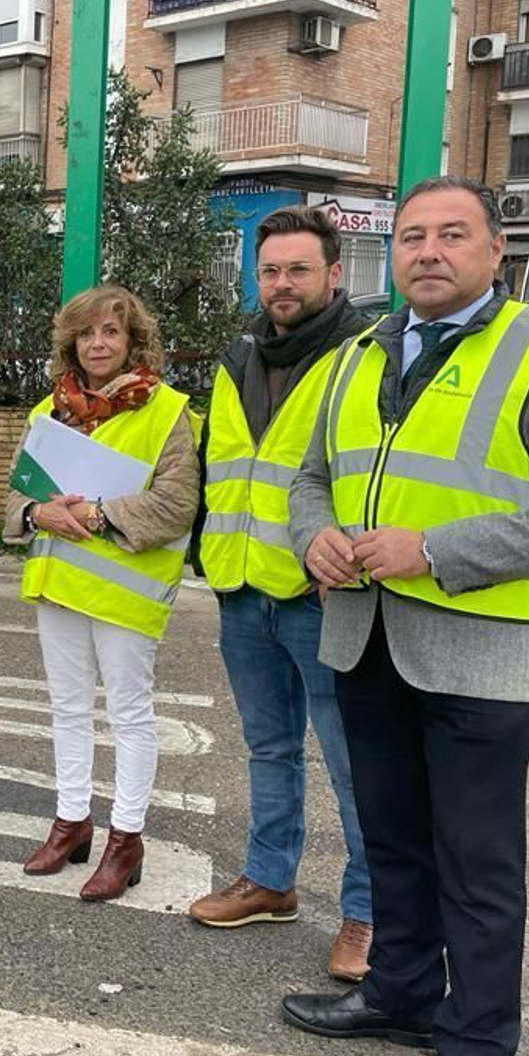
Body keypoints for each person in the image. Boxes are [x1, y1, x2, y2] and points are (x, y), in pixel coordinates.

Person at [281, 177, 529, 1056]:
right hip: (365, 638)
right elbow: (311, 477)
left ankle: (476, 1037)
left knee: (477, 863)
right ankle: (399, 995)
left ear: (494, 252)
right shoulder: (358, 354)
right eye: (411, 237)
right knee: (392, 839)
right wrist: (313, 538)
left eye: (451, 235)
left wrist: (432, 550)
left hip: (483, 651)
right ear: (391, 253)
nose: (428, 251)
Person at [188, 206, 374, 981]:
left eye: (298, 269)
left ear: (335, 273)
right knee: (269, 748)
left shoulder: (365, 355)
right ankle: (271, 879)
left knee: (353, 761)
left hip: (319, 592)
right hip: (242, 588)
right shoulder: (239, 355)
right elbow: (220, 464)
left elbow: (372, 471)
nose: (282, 284)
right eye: (270, 271)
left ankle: (369, 913)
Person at [3, 286, 198, 902]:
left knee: (130, 716)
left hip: (125, 594)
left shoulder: (167, 412)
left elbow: (176, 504)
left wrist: (91, 513)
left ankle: (126, 839)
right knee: (66, 710)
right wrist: (38, 513)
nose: (98, 344)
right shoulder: (50, 411)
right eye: (86, 334)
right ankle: (71, 822)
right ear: (72, 344)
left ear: (133, 341)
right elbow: (14, 497)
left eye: (111, 333)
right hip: (59, 584)